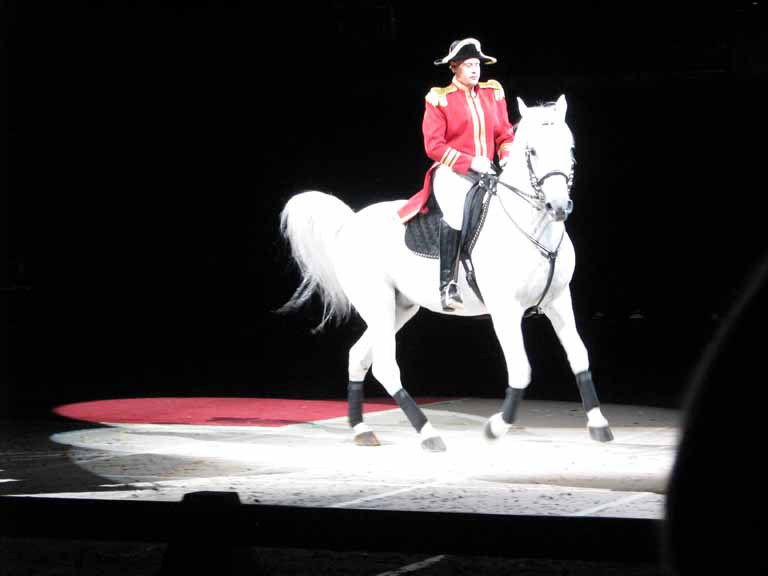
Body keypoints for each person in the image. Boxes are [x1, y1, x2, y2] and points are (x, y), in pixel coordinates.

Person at [397, 38, 516, 311]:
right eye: (468, 65)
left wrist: (506, 158)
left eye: (476, 64)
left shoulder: (492, 93)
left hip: (487, 171)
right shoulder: (440, 98)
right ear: (454, 67)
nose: (475, 70)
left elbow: (505, 134)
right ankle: (448, 285)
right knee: (455, 214)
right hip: (453, 172)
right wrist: (470, 161)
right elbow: (434, 146)